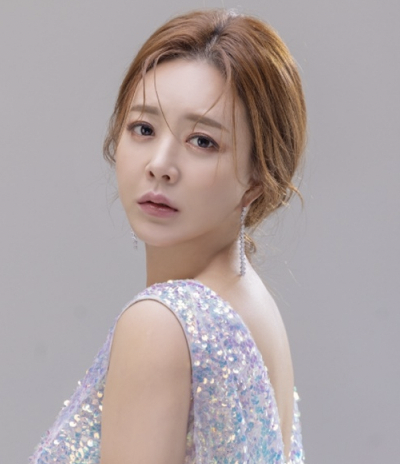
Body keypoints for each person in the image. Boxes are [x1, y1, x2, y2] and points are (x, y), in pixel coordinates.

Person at [29, 8, 306, 464]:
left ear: (258, 178)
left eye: (202, 141)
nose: (160, 164)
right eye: (143, 129)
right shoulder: (253, 308)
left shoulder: (161, 324)